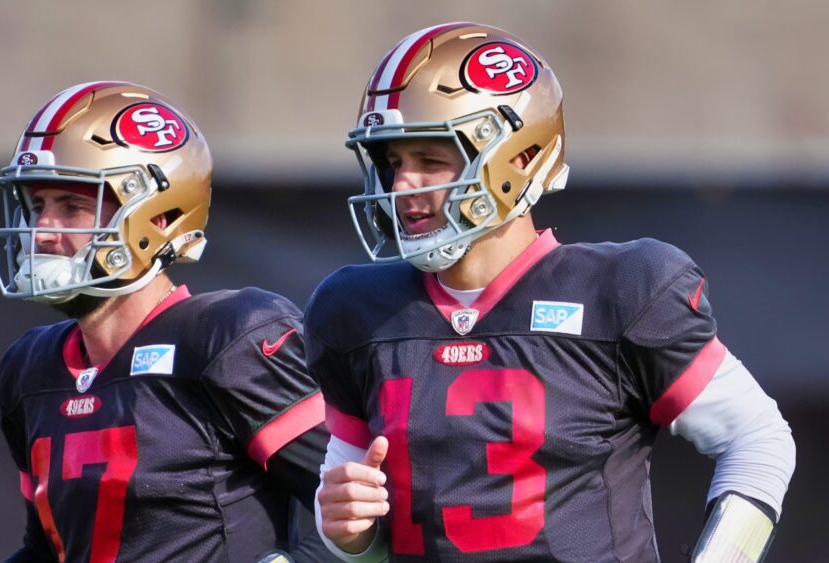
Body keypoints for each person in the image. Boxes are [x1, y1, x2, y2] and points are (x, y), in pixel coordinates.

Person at [305, 23, 795, 562]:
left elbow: (759, 439)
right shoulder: (356, 311)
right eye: (394, 162)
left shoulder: (620, 291)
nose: (402, 185)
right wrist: (348, 533)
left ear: (518, 156)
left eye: (431, 160)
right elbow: (360, 533)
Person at [0, 81, 330, 562]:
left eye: (72, 207)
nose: (42, 232)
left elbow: (362, 510)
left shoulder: (226, 338)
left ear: (161, 217)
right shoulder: (30, 369)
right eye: (37, 206)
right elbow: (46, 549)